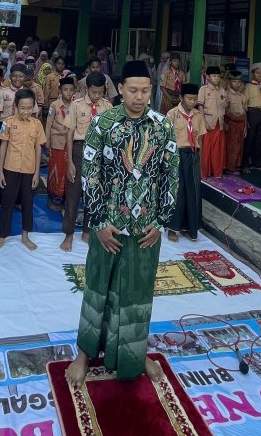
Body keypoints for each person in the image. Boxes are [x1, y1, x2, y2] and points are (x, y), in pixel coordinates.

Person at [65, 61, 179, 387]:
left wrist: (161, 222)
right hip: (108, 226)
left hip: (145, 229)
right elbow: (90, 174)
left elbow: (170, 177)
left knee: (137, 293)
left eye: (145, 90)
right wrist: (98, 222)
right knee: (98, 287)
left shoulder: (162, 127)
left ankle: (135, 353)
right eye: (133, 90)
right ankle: (85, 354)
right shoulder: (102, 124)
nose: (140, 97)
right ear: (121, 89)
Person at [0, 88, 46, 253]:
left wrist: (37, 173)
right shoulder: (7, 123)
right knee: (7, 203)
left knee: (28, 204)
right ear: (16, 106)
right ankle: (2, 237)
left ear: (33, 107)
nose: (26, 111)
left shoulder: (36, 125)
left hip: (29, 171)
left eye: (29, 108)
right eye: (23, 108)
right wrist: (0, 172)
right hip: (10, 168)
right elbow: (3, 146)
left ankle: (25, 236)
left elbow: (38, 149)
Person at [62, 72, 111, 249]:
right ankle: (68, 234)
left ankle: (87, 231)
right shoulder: (76, 105)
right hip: (80, 149)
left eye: (100, 92)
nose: (97, 96)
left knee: (94, 192)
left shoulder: (107, 107)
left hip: (99, 151)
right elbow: (69, 133)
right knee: (73, 194)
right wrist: (70, 162)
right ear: (86, 89)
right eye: (93, 92)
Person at [166, 83, 207, 241]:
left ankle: (191, 227)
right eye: (189, 98)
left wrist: (200, 160)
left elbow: (200, 139)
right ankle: (172, 228)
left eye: (195, 99)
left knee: (194, 191)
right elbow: (167, 139)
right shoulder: (172, 114)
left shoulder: (198, 115)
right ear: (181, 98)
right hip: (177, 154)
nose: (192, 102)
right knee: (177, 191)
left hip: (193, 154)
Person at [0, 64, 26, 214]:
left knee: (19, 166)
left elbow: (33, 116)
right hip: (4, 128)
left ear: (25, 77)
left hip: (22, 131)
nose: (17, 79)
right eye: (14, 76)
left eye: (21, 76)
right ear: (9, 76)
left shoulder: (28, 93)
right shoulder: (3, 93)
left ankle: (18, 201)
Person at [45, 75, 76, 213]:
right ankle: (54, 196)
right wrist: (47, 141)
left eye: (71, 90)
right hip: (57, 141)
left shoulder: (76, 105)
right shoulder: (54, 105)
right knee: (55, 169)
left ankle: (65, 196)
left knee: (67, 169)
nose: (68, 92)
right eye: (65, 89)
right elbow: (49, 123)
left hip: (71, 142)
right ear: (60, 90)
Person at [197, 66, 227, 177]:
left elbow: (226, 106)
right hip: (208, 123)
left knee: (217, 150)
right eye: (214, 76)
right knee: (205, 150)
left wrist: (225, 102)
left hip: (219, 124)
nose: (217, 78)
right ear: (208, 77)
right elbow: (200, 107)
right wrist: (203, 122)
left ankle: (217, 172)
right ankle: (204, 173)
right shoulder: (203, 90)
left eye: (218, 76)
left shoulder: (222, 90)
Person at [223, 70, 248, 173]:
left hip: (240, 124)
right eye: (234, 81)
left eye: (239, 82)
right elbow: (223, 111)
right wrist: (224, 123)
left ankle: (235, 166)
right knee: (230, 146)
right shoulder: (226, 95)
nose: (237, 84)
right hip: (230, 123)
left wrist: (245, 127)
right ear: (229, 82)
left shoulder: (242, 97)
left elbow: (244, 113)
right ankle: (229, 168)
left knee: (239, 147)